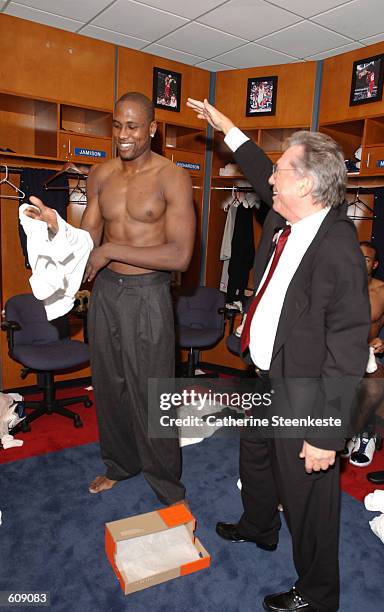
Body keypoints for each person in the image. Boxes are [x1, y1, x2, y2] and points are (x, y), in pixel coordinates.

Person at [187, 98, 370, 612]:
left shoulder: (337, 249)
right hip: (265, 375)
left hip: (307, 392)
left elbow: (348, 348)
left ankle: (317, 594)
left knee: (310, 498)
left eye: (282, 172)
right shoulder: (286, 218)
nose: (270, 181)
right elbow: (260, 167)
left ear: (307, 184)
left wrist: (324, 434)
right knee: (256, 455)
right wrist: (228, 129)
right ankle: (259, 526)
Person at [24, 92, 195, 506]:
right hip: (106, 295)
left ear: (152, 129)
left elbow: (180, 256)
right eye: (117, 125)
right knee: (109, 384)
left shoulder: (172, 176)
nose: (122, 134)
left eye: (133, 126)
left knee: (150, 390)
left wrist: (112, 251)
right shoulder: (100, 176)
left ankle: (165, 482)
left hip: (149, 294)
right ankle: (120, 463)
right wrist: (55, 231)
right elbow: (87, 245)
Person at [345, 242, 384, 466]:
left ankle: (360, 432)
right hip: (336, 351)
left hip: (369, 352)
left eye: (366, 259)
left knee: (375, 385)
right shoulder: (334, 285)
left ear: (374, 265)